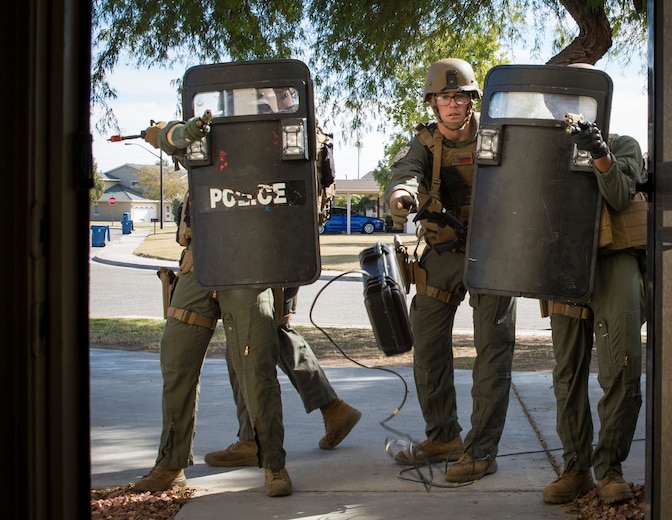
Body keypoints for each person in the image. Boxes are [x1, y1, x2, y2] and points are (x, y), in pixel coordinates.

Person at [133, 115, 296, 497]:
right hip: (199, 262)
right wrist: (183, 132)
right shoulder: (201, 136)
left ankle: (274, 463)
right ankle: (171, 463)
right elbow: (167, 135)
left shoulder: (276, 140)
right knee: (176, 360)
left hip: (250, 267)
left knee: (256, 370)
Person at [384, 58, 517, 483]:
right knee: (427, 345)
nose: (454, 104)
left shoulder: (497, 133)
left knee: (492, 351)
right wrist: (402, 195)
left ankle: (482, 451)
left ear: (472, 99)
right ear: (433, 102)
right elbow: (404, 173)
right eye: (446, 97)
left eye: (460, 96)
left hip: (491, 252)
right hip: (441, 252)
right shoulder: (423, 143)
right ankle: (443, 437)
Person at [541, 96, 646, 505]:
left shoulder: (624, 145)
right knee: (567, 372)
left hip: (613, 258)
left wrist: (599, 151)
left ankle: (610, 469)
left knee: (622, 366)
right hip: (565, 264)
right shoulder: (547, 151)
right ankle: (576, 467)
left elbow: (620, 196)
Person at [204, 286, 362, 466]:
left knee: (247, 336)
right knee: (271, 332)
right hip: (277, 269)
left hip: (265, 271)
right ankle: (333, 408)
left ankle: (252, 440)